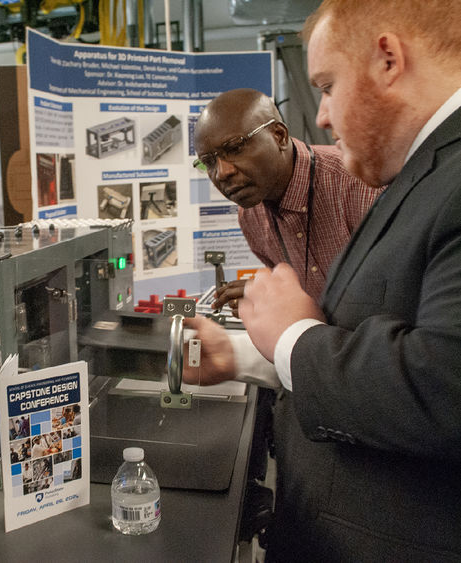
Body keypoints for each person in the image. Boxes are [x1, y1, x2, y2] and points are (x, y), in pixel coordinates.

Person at [192, 2, 461, 560]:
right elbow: (362, 329)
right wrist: (248, 355)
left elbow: (441, 385)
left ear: (388, 59)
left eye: (328, 86)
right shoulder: (421, 174)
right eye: (210, 163)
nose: (324, 117)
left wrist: (290, 336)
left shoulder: (379, 182)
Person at [192, 88, 382, 309]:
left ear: (279, 136)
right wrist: (269, 298)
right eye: (209, 162)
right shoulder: (250, 215)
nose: (222, 172)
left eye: (235, 147)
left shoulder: (360, 184)